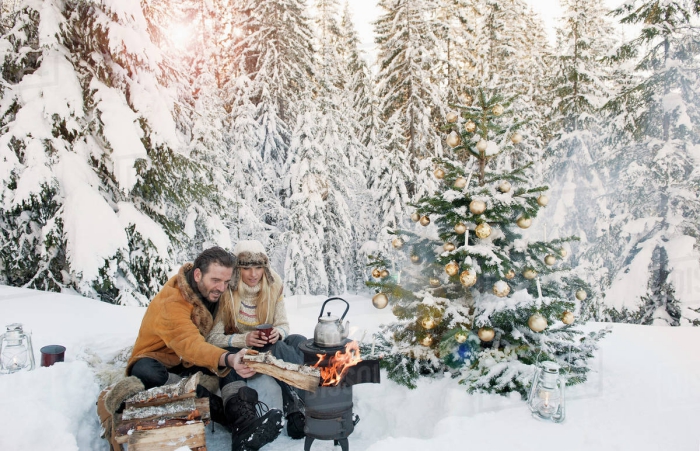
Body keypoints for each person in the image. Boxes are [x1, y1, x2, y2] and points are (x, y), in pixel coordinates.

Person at [103, 247, 283, 450]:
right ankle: (222, 414)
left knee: (230, 356)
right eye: (216, 280)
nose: (222, 288)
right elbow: (190, 345)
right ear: (197, 274)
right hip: (160, 361)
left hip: (190, 362)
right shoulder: (172, 302)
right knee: (147, 371)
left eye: (226, 282)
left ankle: (243, 424)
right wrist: (227, 358)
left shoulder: (211, 291)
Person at [208, 240, 308, 449]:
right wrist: (244, 339)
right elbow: (213, 337)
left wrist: (277, 333)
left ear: (265, 268)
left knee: (299, 341)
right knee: (277, 350)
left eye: (258, 267)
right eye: (247, 268)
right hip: (240, 349)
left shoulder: (273, 285)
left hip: (269, 346)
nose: (253, 274)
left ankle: (296, 411)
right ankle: (291, 413)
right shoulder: (228, 291)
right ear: (238, 270)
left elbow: (283, 324)